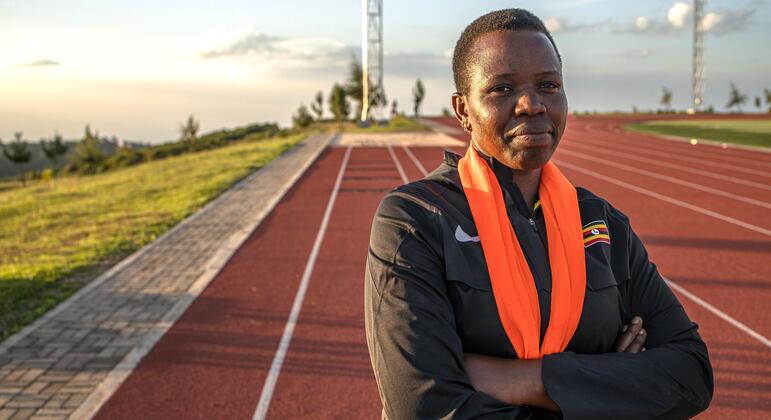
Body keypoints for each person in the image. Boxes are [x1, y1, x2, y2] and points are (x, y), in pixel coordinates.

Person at [364, 8, 713, 420]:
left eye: (548, 85)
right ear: (463, 111)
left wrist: (523, 380)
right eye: (501, 89)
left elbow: (691, 376)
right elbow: (422, 408)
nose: (531, 104)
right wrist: (610, 387)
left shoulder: (603, 224)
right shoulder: (415, 220)